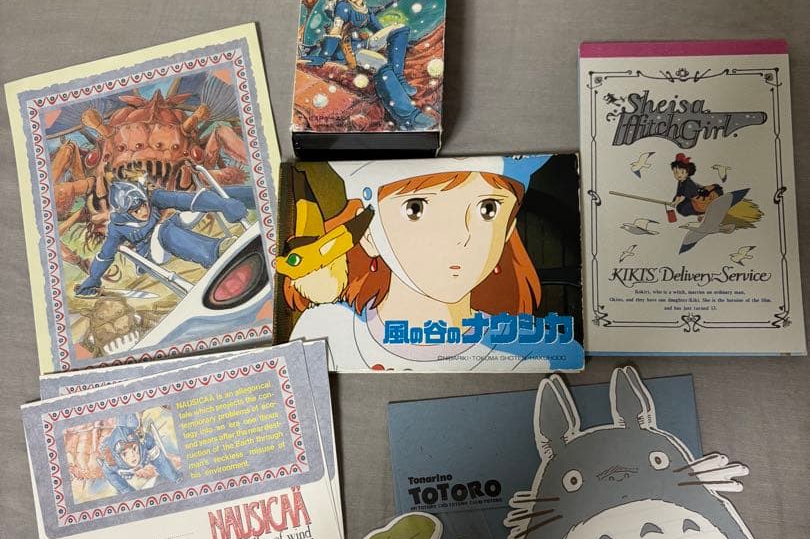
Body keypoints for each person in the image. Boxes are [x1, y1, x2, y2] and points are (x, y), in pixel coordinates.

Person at [289, 158, 572, 371]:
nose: (460, 237)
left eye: (488, 209)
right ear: (368, 233)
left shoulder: (540, 353)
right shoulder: (325, 331)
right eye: (416, 208)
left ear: (508, 230)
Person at [301, 0, 436, 131]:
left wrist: (398, 42)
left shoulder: (365, 10)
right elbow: (336, 30)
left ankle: (399, 78)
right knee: (380, 62)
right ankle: (408, 117)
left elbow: (379, 30)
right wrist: (324, 56)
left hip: (361, 44)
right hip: (345, 50)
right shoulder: (343, 6)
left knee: (399, 29)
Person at [75, 178, 254, 296]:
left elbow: (185, 200)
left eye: (143, 205)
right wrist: (93, 279)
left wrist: (223, 204)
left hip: (170, 228)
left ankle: (255, 197)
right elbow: (105, 255)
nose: (144, 212)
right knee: (163, 229)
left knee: (206, 197)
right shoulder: (118, 227)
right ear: (126, 213)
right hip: (152, 253)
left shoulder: (154, 197)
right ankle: (215, 252)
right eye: (136, 211)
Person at [100, 413, 180, 495]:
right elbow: (111, 475)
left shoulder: (146, 442)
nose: (132, 455)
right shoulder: (111, 464)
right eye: (125, 453)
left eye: (134, 448)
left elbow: (161, 462)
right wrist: (127, 491)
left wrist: (175, 478)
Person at [671, 153, 723, 217]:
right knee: (678, 205)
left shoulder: (688, 183)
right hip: (690, 198)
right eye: (675, 173)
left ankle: (705, 212)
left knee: (682, 209)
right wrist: (675, 201)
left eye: (682, 172)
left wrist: (676, 202)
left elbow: (683, 196)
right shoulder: (681, 182)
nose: (678, 175)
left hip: (697, 199)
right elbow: (679, 193)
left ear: (687, 172)